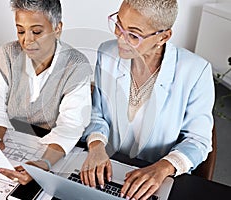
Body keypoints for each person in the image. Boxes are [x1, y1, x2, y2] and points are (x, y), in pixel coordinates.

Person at [80, 0, 215, 199]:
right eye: (118, 25)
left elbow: (198, 140)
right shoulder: (106, 53)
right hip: (111, 168)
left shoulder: (196, 71)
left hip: (156, 180)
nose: (120, 38)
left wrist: (163, 168)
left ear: (163, 36)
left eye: (133, 35)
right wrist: (97, 145)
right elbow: (97, 113)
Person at [0, 0, 92, 185]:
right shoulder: (8, 54)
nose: (26, 40)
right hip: (14, 140)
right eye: (20, 30)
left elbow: (70, 126)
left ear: (57, 29)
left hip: (52, 147)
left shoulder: (76, 66)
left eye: (36, 32)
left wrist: (43, 163)